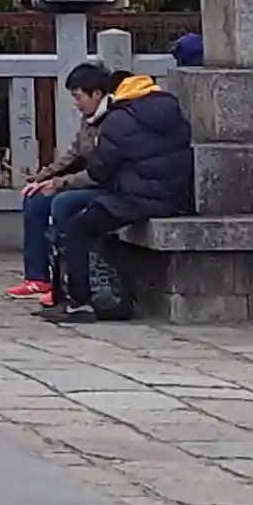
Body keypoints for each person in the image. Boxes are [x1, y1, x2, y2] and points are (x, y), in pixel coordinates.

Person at [40, 60, 193, 325]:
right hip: (174, 196)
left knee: (77, 228)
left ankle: (80, 302)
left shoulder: (119, 119)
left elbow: (100, 169)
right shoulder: (172, 111)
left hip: (137, 198)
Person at [9, 61, 115, 304]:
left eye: (78, 97)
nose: (76, 104)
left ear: (97, 94)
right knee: (36, 198)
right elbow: (72, 155)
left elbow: (101, 172)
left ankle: (63, 282)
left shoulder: (114, 121)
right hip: (88, 181)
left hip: (108, 186)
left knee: (63, 204)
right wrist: (41, 178)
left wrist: (58, 184)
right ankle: (37, 277)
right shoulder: (89, 118)